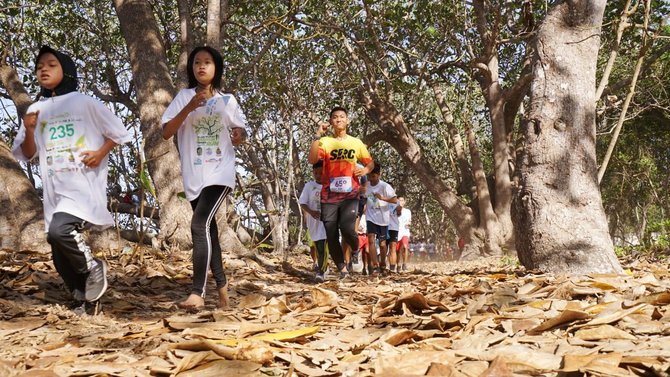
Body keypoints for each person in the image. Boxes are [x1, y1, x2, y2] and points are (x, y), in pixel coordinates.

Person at [12, 46, 131, 312]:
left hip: (82, 185)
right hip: (55, 189)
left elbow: (119, 132)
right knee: (57, 248)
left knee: (60, 231)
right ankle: (85, 300)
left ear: (65, 71)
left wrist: (100, 153)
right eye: (39, 65)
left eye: (51, 64)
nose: (43, 69)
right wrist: (30, 130)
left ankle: (92, 267)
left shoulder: (84, 102)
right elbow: (28, 154)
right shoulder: (36, 109)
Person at [161, 46, 247, 309]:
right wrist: (188, 107)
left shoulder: (227, 100)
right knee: (208, 230)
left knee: (198, 225)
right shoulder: (184, 97)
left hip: (219, 172)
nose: (201, 66)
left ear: (216, 68)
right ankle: (222, 289)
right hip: (194, 175)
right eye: (197, 62)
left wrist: (239, 135)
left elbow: (241, 130)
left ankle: (197, 293)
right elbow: (166, 132)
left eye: (207, 62)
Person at [308, 106, 374, 279]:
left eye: (342, 117)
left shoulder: (356, 143)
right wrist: (318, 135)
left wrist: (366, 171)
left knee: (347, 228)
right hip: (329, 195)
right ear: (331, 121)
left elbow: (370, 162)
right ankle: (342, 270)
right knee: (331, 234)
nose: (338, 119)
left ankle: (355, 249)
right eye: (335, 117)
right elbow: (313, 159)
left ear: (347, 121)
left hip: (350, 194)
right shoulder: (326, 142)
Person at [299, 160, 329, 282]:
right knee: (317, 246)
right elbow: (303, 202)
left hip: (326, 221)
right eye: (316, 173)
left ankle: (321, 272)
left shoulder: (329, 186)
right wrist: (311, 212)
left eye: (321, 173)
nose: (318, 175)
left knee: (323, 245)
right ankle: (325, 267)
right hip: (313, 222)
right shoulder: (309, 186)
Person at [365, 164, 397, 274]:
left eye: (373, 176)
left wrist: (382, 198)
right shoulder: (366, 185)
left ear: (379, 175)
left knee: (383, 245)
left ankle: (383, 263)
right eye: (369, 176)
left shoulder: (385, 186)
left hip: (383, 219)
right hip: (370, 217)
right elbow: (361, 196)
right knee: (371, 239)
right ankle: (375, 265)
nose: (371, 179)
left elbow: (394, 200)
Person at [396, 197, 412, 271]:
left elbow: (409, 221)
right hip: (397, 231)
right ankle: (398, 264)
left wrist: (409, 224)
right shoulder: (394, 211)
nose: (400, 202)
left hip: (405, 231)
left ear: (404, 202)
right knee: (398, 250)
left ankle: (404, 264)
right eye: (399, 200)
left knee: (405, 247)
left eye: (402, 200)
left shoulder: (408, 211)